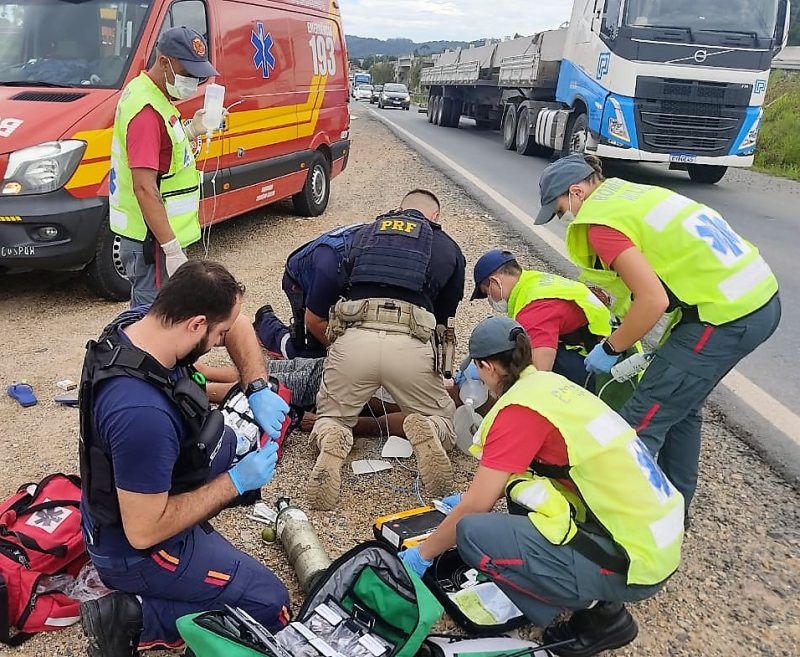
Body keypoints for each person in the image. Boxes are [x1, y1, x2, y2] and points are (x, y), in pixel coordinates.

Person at [400, 316, 685, 657]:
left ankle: (599, 614)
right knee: (518, 489)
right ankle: (575, 573)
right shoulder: (550, 386)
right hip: (656, 537)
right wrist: (472, 496)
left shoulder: (517, 411)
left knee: (472, 533)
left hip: (634, 562)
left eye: (476, 368)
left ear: (487, 367)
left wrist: (422, 555)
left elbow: (477, 505)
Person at [534, 154, 781, 511]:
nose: (565, 218)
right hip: (757, 299)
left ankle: (619, 525)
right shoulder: (628, 194)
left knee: (639, 422)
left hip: (725, 316)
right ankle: (674, 512)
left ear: (576, 192)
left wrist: (611, 348)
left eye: (560, 210)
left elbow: (653, 300)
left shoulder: (601, 222)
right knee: (683, 410)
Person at [78, 261, 291, 656]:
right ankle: (135, 618)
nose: (223, 340)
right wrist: (236, 482)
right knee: (270, 605)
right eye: (219, 335)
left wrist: (257, 386)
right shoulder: (142, 414)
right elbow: (144, 531)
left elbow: (237, 322)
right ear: (196, 324)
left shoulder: (145, 324)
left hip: (135, 500)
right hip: (138, 551)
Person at [308, 189, 466, 509]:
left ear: (399, 209)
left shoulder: (364, 234)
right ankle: (429, 428)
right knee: (443, 420)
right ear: (435, 217)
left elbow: (338, 283)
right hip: (410, 345)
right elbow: (444, 318)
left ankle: (333, 439)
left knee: (331, 417)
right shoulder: (447, 247)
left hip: (355, 340)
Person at [110, 27, 218, 307]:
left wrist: (191, 131)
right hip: (153, 243)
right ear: (164, 62)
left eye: (198, 75)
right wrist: (171, 249)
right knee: (155, 319)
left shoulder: (150, 94)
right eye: (187, 73)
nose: (193, 81)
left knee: (163, 318)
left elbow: (162, 153)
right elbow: (144, 188)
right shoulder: (146, 112)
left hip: (156, 237)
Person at [469, 249, 612, 385]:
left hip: (603, 369)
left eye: (487, 292)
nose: (490, 299)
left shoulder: (534, 309)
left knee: (524, 367)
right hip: (609, 346)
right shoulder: (536, 282)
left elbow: (538, 375)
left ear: (495, 282)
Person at [254, 223, 365, 358]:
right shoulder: (331, 265)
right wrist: (343, 356)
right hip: (300, 278)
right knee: (312, 355)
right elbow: (314, 320)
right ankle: (265, 324)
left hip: (332, 268)